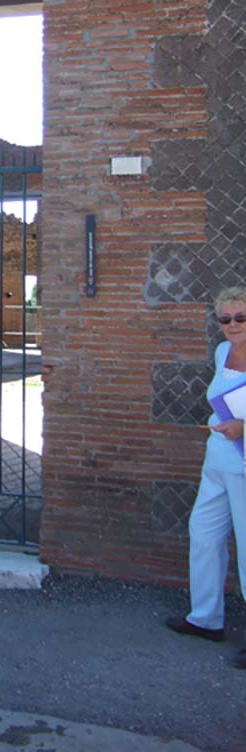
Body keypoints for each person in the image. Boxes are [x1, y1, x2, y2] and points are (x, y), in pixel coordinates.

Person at [165, 286, 246, 668]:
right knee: (204, 533)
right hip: (216, 460)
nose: (233, 325)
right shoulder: (222, 352)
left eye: (241, 317)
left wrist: (243, 427)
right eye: (225, 319)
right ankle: (206, 618)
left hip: (243, 463)